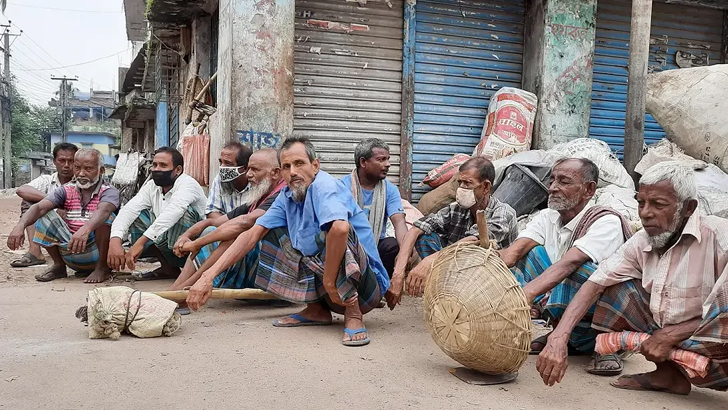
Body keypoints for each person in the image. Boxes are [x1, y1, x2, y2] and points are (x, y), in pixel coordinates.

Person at [537, 162, 728, 395]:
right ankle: (667, 375)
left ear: (688, 208)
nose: (646, 213)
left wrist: (673, 334)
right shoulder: (642, 240)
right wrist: (558, 339)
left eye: (658, 204)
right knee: (612, 287)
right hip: (668, 339)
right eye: (641, 203)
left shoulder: (720, 237)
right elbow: (594, 283)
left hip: (718, 346)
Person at [186, 137, 388, 347]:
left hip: (364, 289)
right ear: (281, 172)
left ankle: (353, 314)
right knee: (271, 232)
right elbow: (251, 234)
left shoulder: (324, 186)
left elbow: (340, 229)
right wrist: (208, 277)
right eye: (286, 166)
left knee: (334, 230)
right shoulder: (286, 196)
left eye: (299, 163)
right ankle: (316, 309)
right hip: (331, 293)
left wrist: (329, 283)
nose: (292, 172)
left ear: (315, 166)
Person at [498, 158, 633, 373]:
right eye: (552, 180)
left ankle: (605, 346)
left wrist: (525, 295)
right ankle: (562, 335)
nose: (552, 188)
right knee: (531, 254)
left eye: (564, 181)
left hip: (601, 316)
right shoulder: (547, 216)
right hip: (569, 308)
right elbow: (514, 252)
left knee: (579, 270)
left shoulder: (606, 221)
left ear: (589, 190)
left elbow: (570, 263)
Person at [387, 156, 518, 309]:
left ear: (486, 187)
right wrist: (398, 274)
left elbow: (473, 241)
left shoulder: (502, 212)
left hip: (491, 280)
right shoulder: (456, 208)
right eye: (460, 182)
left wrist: (429, 262)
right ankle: (444, 296)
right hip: (460, 273)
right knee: (425, 237)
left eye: (468, 183)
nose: (461, 188)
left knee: (469, 250)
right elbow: (415, 229)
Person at [171, 149, 286, 291]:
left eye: (255, 170)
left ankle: (186, 289)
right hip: (259, 266)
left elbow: (245, 222)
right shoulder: (259, 198)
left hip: (278, 273)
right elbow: (211, 221)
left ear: (275, 173)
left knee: (232, 235)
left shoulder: (282, 195)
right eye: (248, 168)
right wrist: (185, 236)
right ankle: (178, 288)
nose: (248, 174)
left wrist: (197, 244)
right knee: (211, 230)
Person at [7, 148, 119, 283]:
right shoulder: (66, 189)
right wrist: (20, 226)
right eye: (77, 168)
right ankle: (59, 266)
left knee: (107, 218)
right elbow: (39, 207)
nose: (81, 174)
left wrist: (84, 230)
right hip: (71, 251)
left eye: (88, 169)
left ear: (101, 171)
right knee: (43, 214)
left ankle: (102, 269)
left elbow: (104, 211)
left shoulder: (109, 191)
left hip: (96, 253)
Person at [107, 147, 206, 279]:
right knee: (137, 215)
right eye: (154, 165)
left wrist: (140, 242)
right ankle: (168, 268)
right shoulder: (152, 186)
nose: (157, 169)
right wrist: (115, 240)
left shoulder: (187, 184)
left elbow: (174, 212)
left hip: (194, 243)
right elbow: (129, 210)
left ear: (178, 170)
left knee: (181, 214)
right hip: (167, 241)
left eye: (163, 165)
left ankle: (192, 272)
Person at [340, 138, 407, 277]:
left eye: (388, 159)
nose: (388, 164)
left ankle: (382, 286)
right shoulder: (342, 187)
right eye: (381, 160)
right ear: (363, 162)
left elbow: (399, 222)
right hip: (349, 245)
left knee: (392, 246)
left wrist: (405, 252)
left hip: (376, 243)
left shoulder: (390, 190)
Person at [11, 143, 77, 268]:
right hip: (54, 227)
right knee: (30, 203)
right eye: (62, 161)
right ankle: (35, 252)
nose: (67, 166)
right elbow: (22, 190)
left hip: (76, 232)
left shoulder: (83, 182)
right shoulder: (47, 180)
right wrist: (55, 203)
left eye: (71, 161)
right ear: (54, 162)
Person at [206, 141, 253, 219]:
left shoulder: (257, 184)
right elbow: (212, 211)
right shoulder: (219, 179)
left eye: (228, 163)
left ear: (244, 168)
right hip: (225, 227)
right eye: (221, 162)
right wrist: (232, 227)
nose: (222, 167)